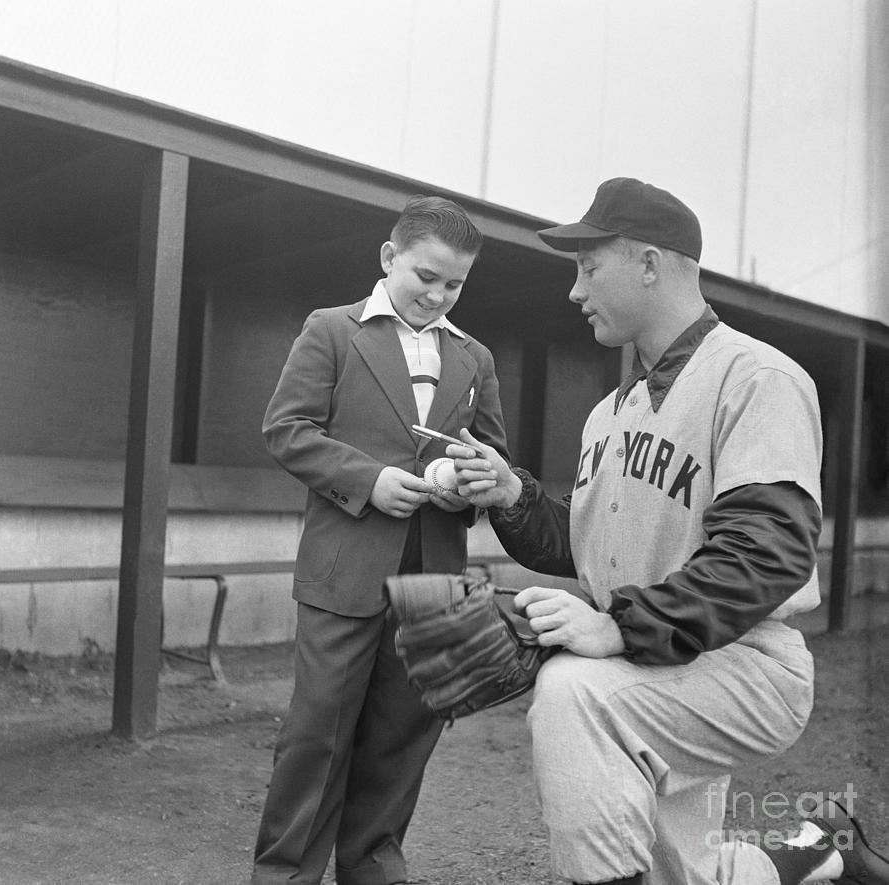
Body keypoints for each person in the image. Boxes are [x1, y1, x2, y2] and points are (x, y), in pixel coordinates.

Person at [449, 177, 889, 885]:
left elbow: (766, 556)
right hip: (660, 657)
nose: (574, 289)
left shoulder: (757, 378)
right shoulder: (607, 412)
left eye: (590, 266)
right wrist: (511, 493)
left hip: (743, 662)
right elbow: (588, 543)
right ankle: (826, 846)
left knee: (571, 693)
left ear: (650, 265)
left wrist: (616, 628)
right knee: (692, 874)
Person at [252, 195, 509, 885]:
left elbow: (492, 457)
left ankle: (372, 866)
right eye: (426, 276)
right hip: (344, 571)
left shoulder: (475, 357)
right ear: (390, 258)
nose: (438, 294)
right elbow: (287, 429)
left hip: (433, 577)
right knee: (317, 733)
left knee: (404, 735)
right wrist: (369, 480)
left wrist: (467, 487)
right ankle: (285, 875)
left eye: (454, 284)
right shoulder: (331, 330)